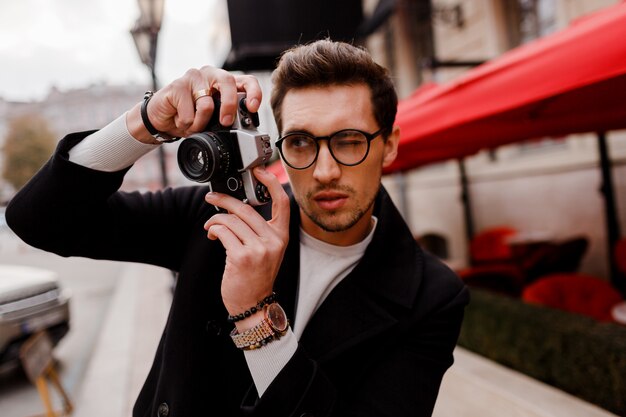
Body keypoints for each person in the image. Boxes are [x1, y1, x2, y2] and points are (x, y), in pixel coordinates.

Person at [6, 39, 468, 417]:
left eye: (349, 141)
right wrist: (145, 123)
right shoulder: (220, 213)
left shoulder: (431, 295)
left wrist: (255, 316)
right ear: (276, 146)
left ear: (389, 146)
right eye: (302, 142)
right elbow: (39, 221)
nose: (325, 170)